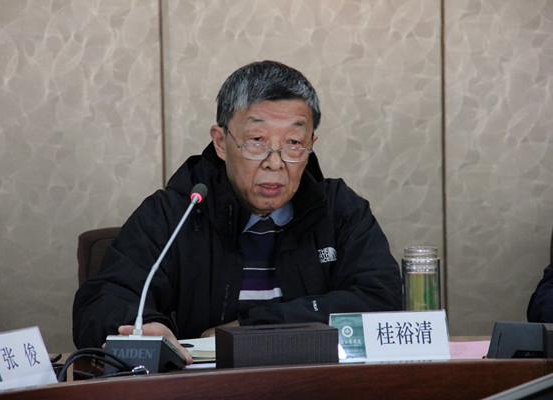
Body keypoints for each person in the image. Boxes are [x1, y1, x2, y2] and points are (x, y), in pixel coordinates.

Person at [72, 60, 402, 364]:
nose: (275, 163)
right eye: (257, 140)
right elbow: (101, 302)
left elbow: (382, 300)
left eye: (293, 143)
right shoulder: (175, 213)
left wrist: (250, 327)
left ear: (310, 143)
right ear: (220, 142)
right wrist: (145, 327)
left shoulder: (340, 210)